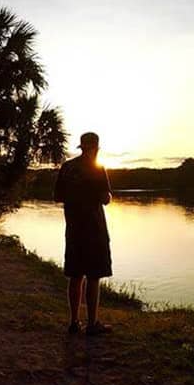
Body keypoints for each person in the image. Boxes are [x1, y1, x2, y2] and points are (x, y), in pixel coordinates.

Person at [54, 132, 113, 336]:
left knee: (75, 275)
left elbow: (57, 196)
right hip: (94, 229)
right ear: (96, 147)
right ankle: (92, 323)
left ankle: (73, 322)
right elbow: (105, 199)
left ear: (81, 147)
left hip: (73, 229)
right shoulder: (98, 170)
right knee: (94, 276)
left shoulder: (67, 167)